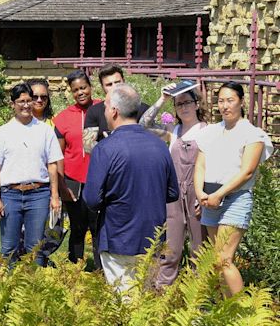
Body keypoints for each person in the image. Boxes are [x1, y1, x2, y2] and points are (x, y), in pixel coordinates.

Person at [83, 84, 179, 293]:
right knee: (144, 298)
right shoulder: (160, 146)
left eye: (106, 105)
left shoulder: (105, 148)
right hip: (152, 237)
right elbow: (172, 193)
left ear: (114, 111)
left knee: (124, 303)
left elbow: (91, 199)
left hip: (118, 235)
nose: (105, 110)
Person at [194, 81, 273, 297]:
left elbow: (247, 172)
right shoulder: (210, 132)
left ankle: (241, 312)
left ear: (241, 101)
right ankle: (223, 310)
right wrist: (200, 193)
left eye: (230, 100)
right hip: (209, 199)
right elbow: (200, 165)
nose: (225, 106)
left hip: (235, 199)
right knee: (216, 260)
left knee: (224, 258)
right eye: (221, 101)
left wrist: (219, 194)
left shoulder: (252, 134)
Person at [0, 82, 63, 267]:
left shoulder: (45, 130)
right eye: (21, 101)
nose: (26, 105)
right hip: (10, 194)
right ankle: (9, 288)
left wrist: (55, 196)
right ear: (13, 104)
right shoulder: (2, 132)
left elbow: (52, 165)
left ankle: (33, 289)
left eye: (29, 100)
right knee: (9, 246)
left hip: (38, 194)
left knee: (35, 247)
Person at [140, 84, 209, 288]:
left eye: (187, 102)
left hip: (198, 195)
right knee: (172, 247)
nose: (184, 108)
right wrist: (162, 98)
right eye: (179, 104)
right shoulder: (173, 131)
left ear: (197, 104)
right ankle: (162, 292)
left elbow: (214, 165)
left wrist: (204, 195)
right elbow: (143, 124)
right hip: (174, 195)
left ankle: (198, 295)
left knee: (200, 248)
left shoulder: (209, 131)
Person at [54, 70, 101, 267]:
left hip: (99, 178)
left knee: (98, 227)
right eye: (75, 90)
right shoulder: (63, 118)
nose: (80, 92)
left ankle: (102, 272)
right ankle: (75, 270)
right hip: (73, 180)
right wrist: (61, 184)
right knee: (77, 227)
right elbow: (58, 154)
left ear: (90, 87)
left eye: (83, 88)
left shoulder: (103, 108)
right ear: (71, 92)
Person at [83, 64, 150, 153]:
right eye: (109, 84)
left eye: (118, 82)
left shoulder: (141, 108)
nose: (114, 87)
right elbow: (87, 146)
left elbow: (151, 139)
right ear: (102, 87)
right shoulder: (94, 111)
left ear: (124, 81)